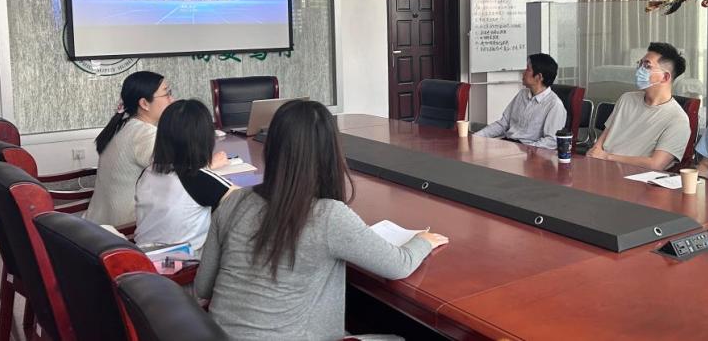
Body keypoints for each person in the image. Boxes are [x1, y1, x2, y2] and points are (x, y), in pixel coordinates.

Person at [196, 100, 449, 341]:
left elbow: (203, 288)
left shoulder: (234, 201)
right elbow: (398, 265)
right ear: (330, 153)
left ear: (270, 148)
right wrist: (423, 241)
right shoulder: (327, 216)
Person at [135, 99, 233, 255]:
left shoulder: (147, 172)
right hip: (183, 263)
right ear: (205, 139)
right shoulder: (198, 179)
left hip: (144, 257)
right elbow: (248, 203)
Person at [85, 71, 175, 226]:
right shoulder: (145, 134)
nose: (172, 99)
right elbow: (178, 172)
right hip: (124, 227)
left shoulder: (125, 125)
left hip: (98, 221)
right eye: (167, 93)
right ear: (144, 103)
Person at [586, 42, 691, 170]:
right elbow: (600, 143)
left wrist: (607, 157)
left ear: (665, 77)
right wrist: (595, 154)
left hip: (634, 176)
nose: (639, 70)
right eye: (639, 64)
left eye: (647, 66)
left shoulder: (678, 120)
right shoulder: (627, 99)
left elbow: (656, 164)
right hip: (601, 168)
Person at [474, 53, 567, 149]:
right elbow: (503, 124)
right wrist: (476, 137)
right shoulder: (522, 94)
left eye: (528, 69)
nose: (523, 72)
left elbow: (551, 141)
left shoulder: (554, 105)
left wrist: (524, 150)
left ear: (539, 77)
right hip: (508, 144)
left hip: (529, 152)